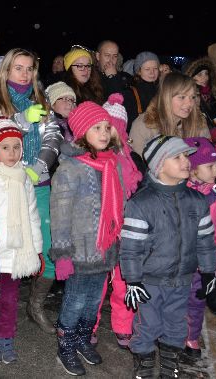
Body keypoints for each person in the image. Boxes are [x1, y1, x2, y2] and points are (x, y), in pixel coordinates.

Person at [0, 48, 62, 335]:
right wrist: (24, 118)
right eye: (18, 68)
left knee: (47, 249)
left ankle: (35, 306)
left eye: (30, 68)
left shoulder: (42, 98)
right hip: (3, 185)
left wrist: (38, 167)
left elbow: (53, 136)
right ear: (6, 70)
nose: (25, 74)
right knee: (2, 250)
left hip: (37, 181)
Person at [121, 135, 216, 379]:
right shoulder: (141, 203)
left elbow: (205, 240)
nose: (186, 161)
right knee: (148, 324)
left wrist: (209, 271)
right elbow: (131, 248)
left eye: (186, 155)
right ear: (159, 165)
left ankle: (169, 363)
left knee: (176, 324)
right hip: (149, 281)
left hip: (182, 279)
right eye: (177, 157)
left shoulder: (197, 201)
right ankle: (144, 362)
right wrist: (133, 280)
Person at [49, 102, 124, 376]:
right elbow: (59, 213)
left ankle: (82, 339)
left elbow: (118, 207)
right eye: (96, 128)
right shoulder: (70, 169)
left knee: (93, 302)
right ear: (81, 132)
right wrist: (62, 253)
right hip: (79, 252)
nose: (104, 133)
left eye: (106, 127)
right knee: (76, 300)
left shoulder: (111, 163)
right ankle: (65, 346)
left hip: (104, 249)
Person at [0, 117, 43, 365]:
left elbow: (32, 215)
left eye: (16, 147)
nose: (12, 153)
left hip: (16, 255)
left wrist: (36, 249)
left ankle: (6, 337)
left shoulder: (23, 178)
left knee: (10, 301)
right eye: (5, 147)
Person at [88, 93, 143, 350]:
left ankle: (124, 325)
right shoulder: (93, 158)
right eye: (104, 128)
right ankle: (89, 324)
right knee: (97, 283)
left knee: (124, 281)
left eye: (114, 128)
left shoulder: (131, 159)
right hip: (101, 229)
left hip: (126, 230)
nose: (109, 134)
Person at [183, 137, 216, 359]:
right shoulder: (178, 194)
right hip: (177, 262)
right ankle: (169, 332)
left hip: (202, 264)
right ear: (193, 169)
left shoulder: (215, 197)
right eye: (211, 166)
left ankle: (191, 336)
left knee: (196, 300)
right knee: (173, 298)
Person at [129, 73, 210, 157]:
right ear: (166, 97)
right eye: (182, 97)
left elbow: (209, 156)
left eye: (193, 97)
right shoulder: (145, 124)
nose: (189, 103)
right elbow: (136, 161)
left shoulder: (198, 121)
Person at [183, 57, 216, 136]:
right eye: (199, 74)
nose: (205, 78)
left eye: (206, 73)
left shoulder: (210, 94)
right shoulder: (192, 98)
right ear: (191, 77)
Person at [122, 51, 160, 130]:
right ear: (139, 71)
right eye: (147, 69)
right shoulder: (130, 93)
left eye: (155, 68)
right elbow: (128, 125)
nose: (152, 72)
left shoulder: (161, 89)